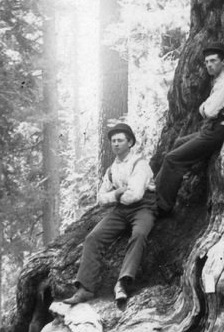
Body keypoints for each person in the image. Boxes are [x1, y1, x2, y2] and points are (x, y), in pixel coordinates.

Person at [62, 122, 156, 310]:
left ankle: (122, 284)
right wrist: (117, 194)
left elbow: (135, 195)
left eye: (120, 140)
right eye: (113, 141)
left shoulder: (140, 164)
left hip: (144, 208)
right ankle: (85, 289)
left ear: (130, 143)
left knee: (139, 235)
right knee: (93, 238)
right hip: (120, 210)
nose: (116, 144)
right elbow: (101, 199)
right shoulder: (112, 169)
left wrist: (117, 195)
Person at [151, 42, 224, 215]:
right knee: (178, 142)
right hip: (210, 128)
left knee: (172, 158)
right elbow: (207, 110)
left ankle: (162, 206)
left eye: (213, 61)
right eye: (207, 61)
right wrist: (206, 108)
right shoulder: (219, 81)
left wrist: (205, 108)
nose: (209, 65)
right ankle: (154, 192)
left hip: (216, 131)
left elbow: (208, 110)